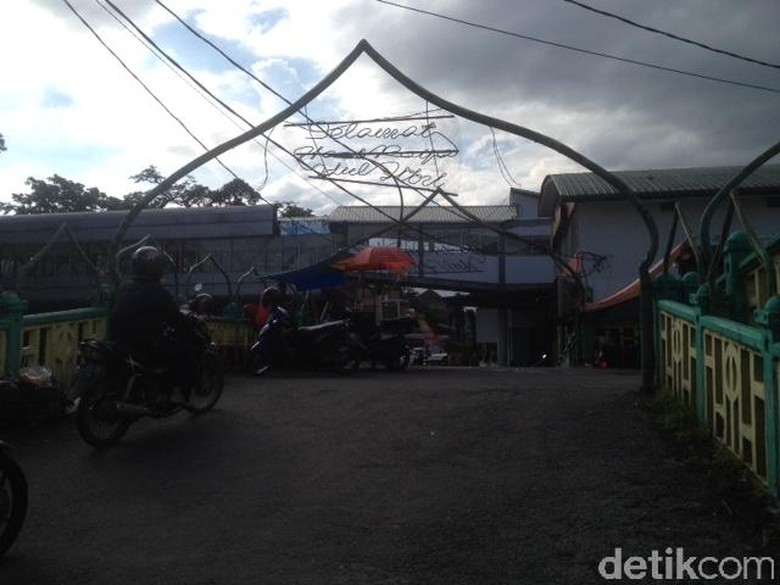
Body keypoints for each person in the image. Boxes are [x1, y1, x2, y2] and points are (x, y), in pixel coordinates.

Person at [110, 246, 197, 405]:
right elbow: (175, 319)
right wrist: (189, 328)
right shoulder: (157, 291)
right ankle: (177, 393)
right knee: (187, 353)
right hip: (145, 342)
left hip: (118, 338)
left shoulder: (125, 285)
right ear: (155, 269)